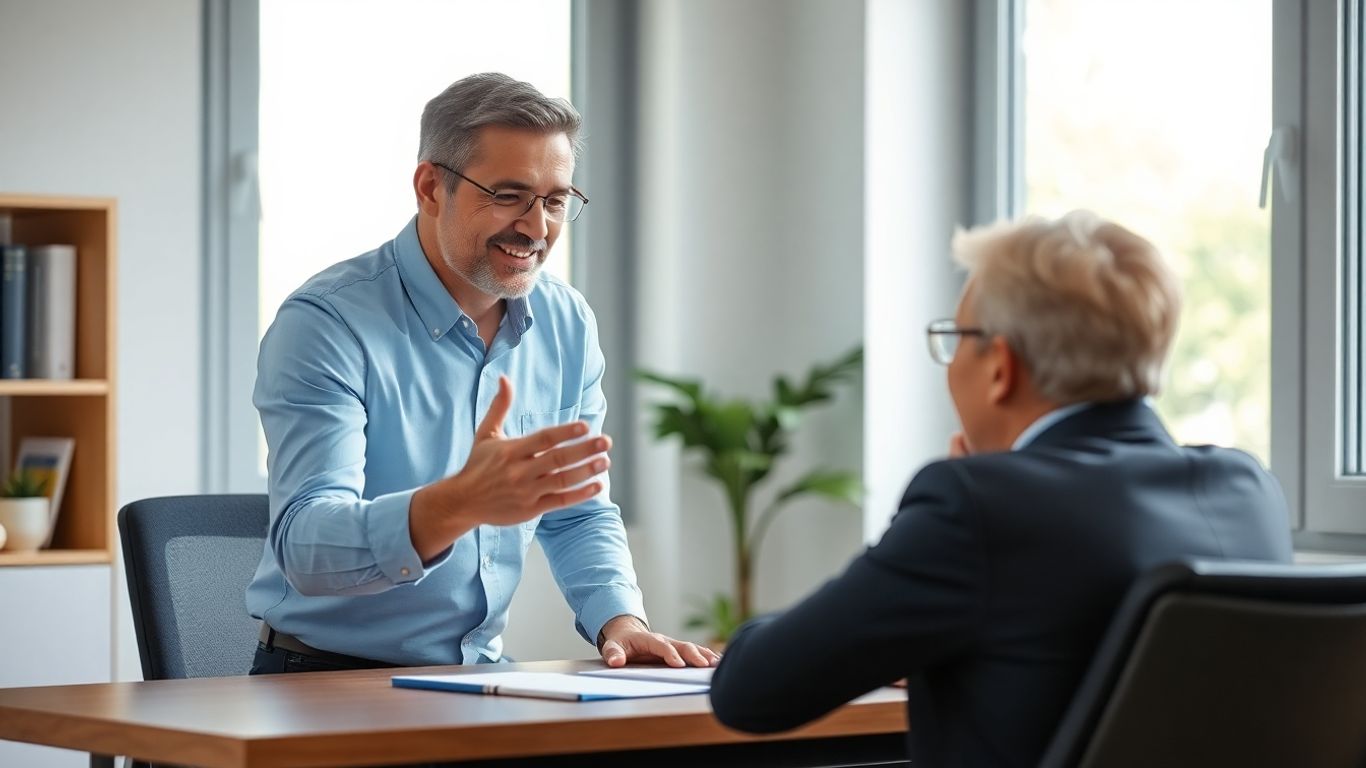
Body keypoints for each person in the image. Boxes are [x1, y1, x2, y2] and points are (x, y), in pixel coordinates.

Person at [708, 211, 1292, 766]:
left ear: (999, 366)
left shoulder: (977, 507)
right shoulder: (1249, 491)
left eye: (956, 338)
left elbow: (752, 692)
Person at [246, 73, 717, 674]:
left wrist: (619, 621)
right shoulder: (328, 323)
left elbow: (578, 509)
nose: (537, 226)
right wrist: (459, 502)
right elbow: (306, 547)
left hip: (478, 678)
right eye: (508, 195)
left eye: (554, 201)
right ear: (429, 187)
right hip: (321, 678)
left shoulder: (566, 322)